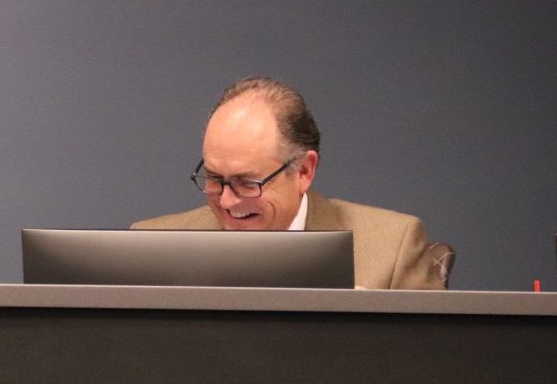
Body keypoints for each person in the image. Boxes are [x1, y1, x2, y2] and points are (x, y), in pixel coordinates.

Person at [132, 77, 445, 290]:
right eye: (215, 179)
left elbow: (435, 371)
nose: (227, 201)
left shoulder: (392, 248)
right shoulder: (150, 248)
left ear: (304, 171)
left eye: (247, 182)